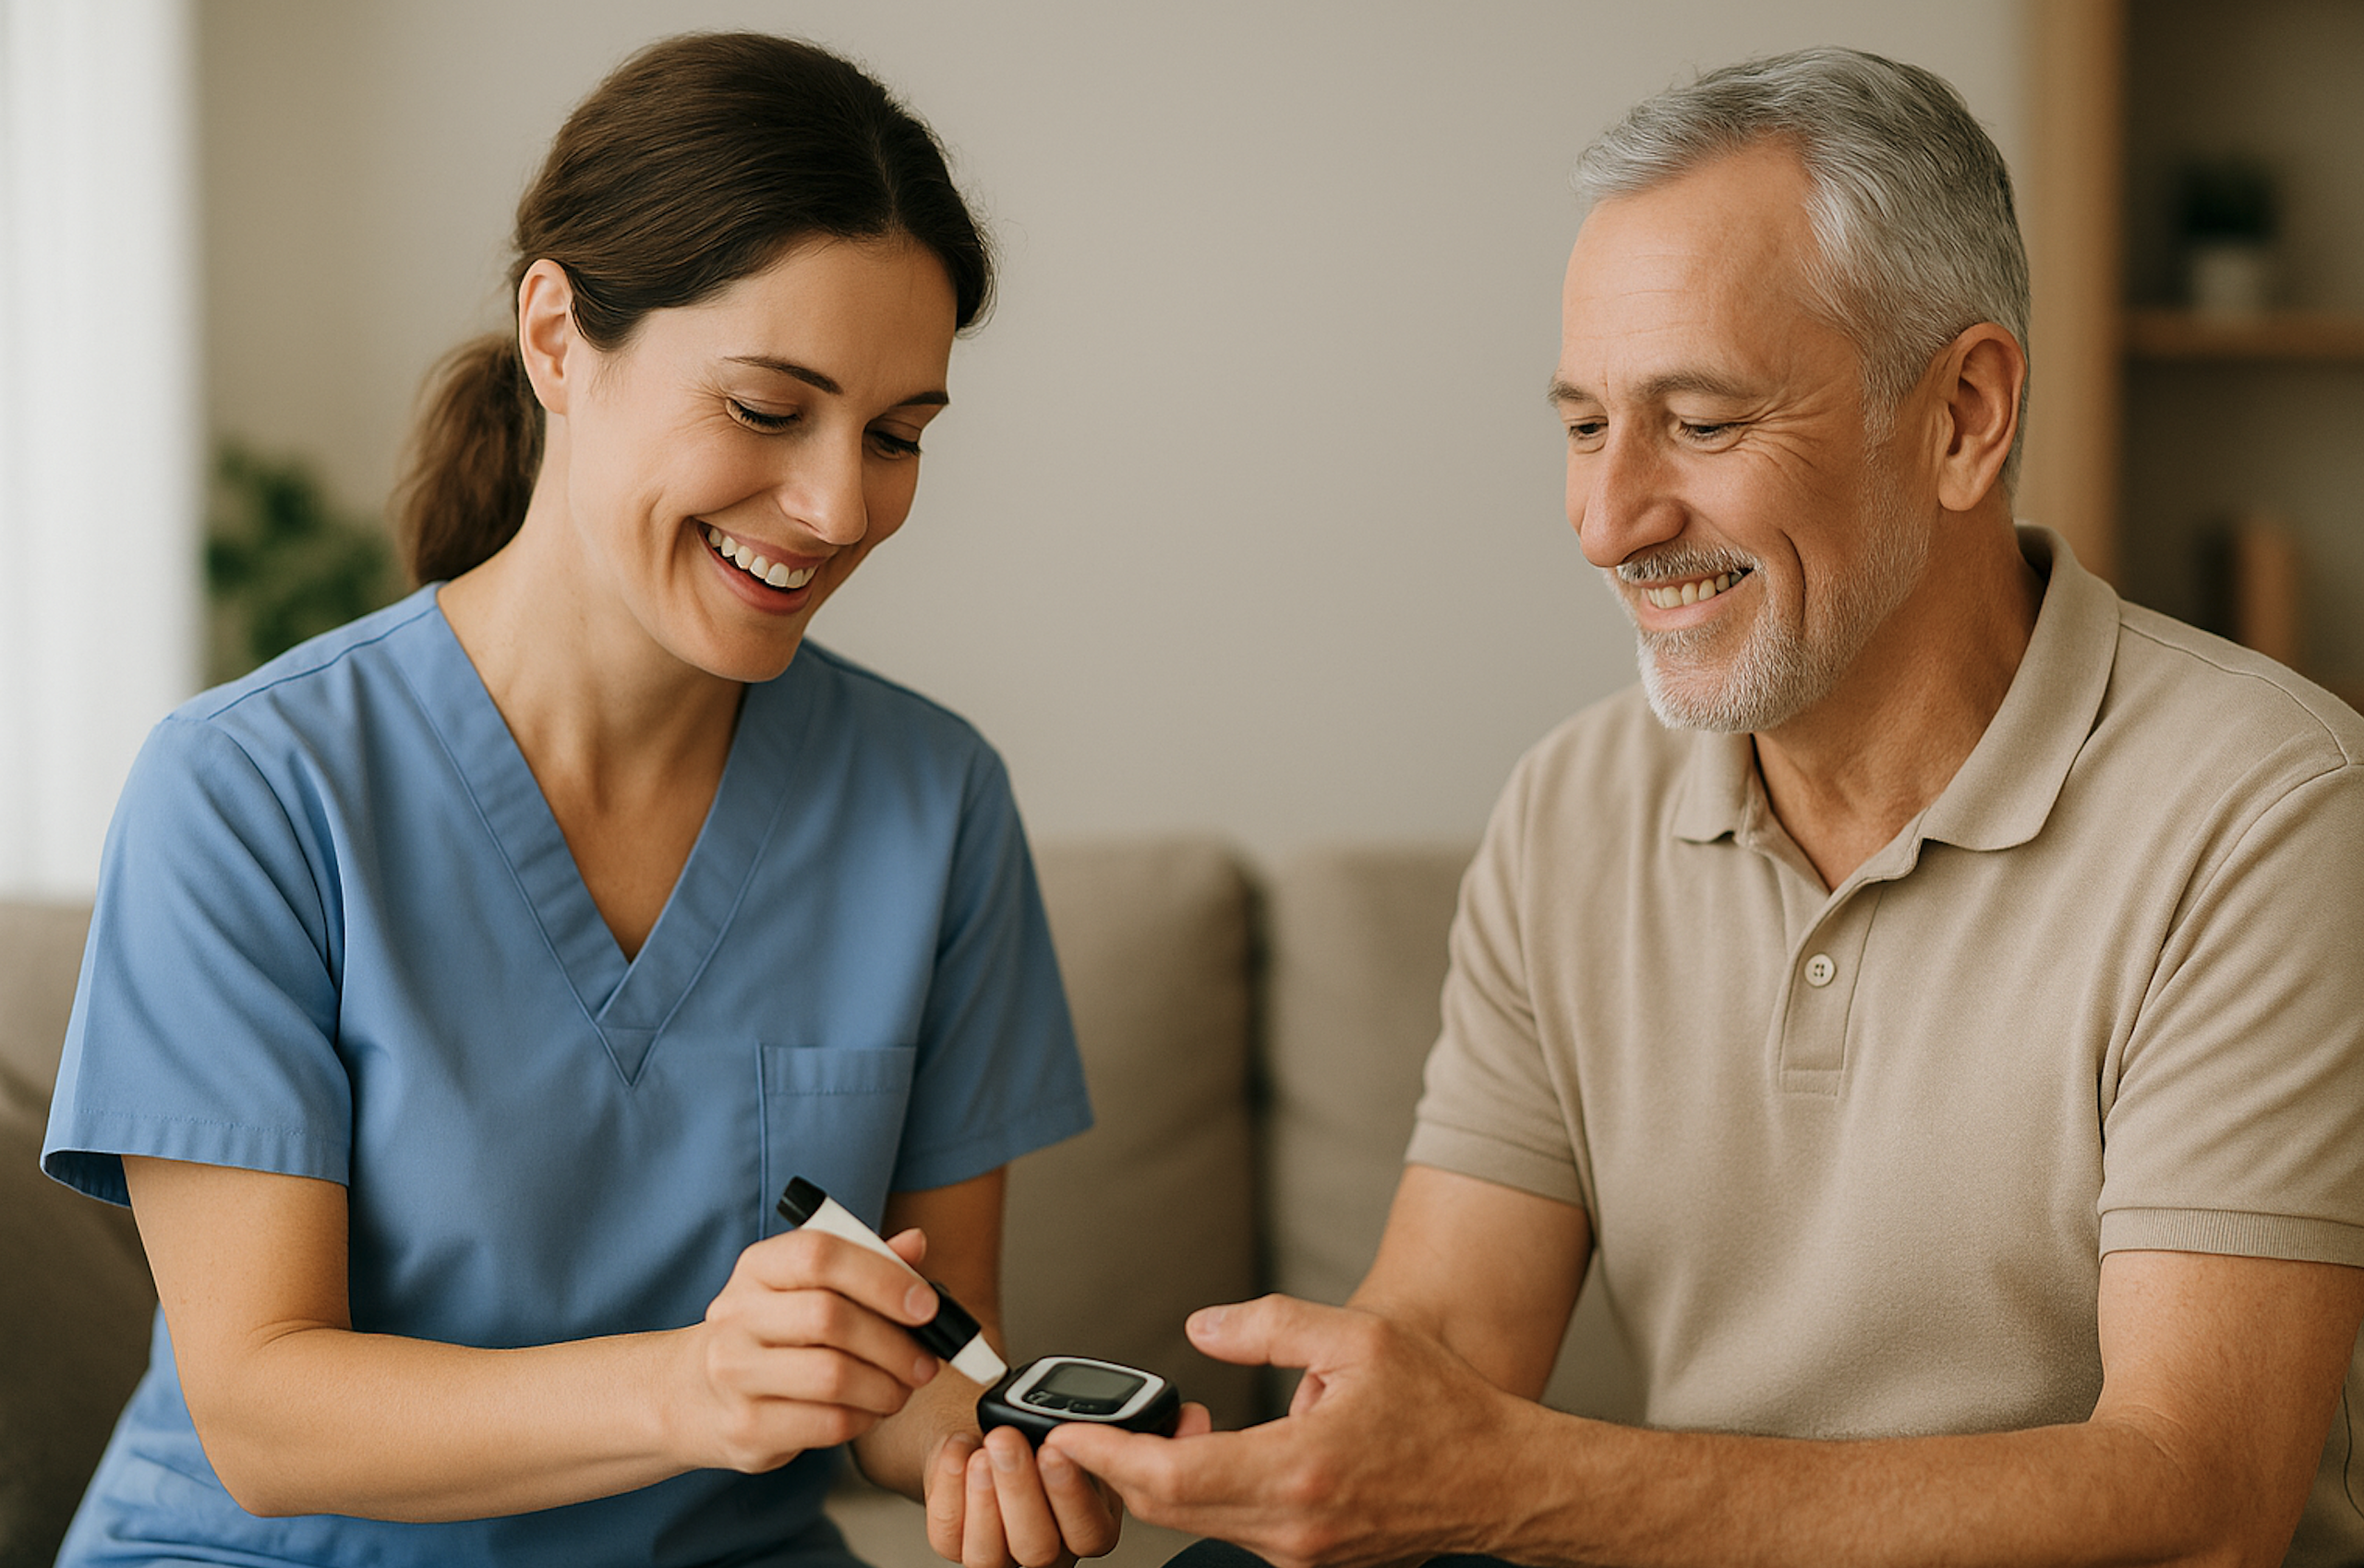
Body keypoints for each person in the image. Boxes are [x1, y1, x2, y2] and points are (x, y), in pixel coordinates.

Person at [1050, 47, 2364, 1567]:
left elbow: (2198, 1499)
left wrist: (1529, 1486)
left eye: (1706, 421)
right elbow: (1450, 1345)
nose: (1609, 521)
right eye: (1586, 423)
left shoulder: (2267, 809)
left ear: (1963, 415)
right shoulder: (1573, 808)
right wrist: (1258, 1479)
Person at [42, 32, 1120, 1568]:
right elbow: (265, 1411)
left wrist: (992, 1453)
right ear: (557, 336)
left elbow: (926, 1360)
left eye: (896, 438)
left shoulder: (933, 800)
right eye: (766, 408)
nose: (837, 507)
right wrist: (694, 1383)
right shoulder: (250, 790)